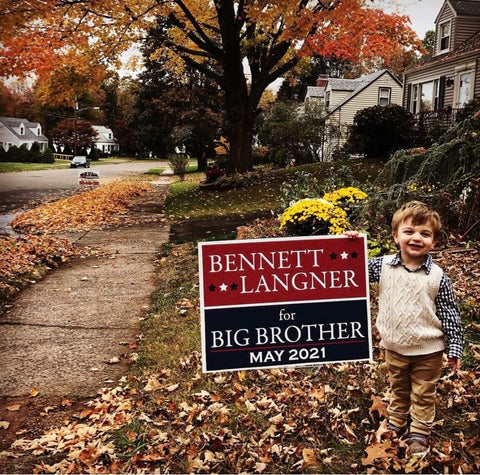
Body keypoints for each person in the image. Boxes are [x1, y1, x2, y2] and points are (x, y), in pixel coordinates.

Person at [346, 201, 464, 457]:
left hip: (429, 350)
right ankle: (398, 420)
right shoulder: (383, 266)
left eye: (425, 233)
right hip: (394, 346)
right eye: (409, 231)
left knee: (423, 391)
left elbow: (449, 313)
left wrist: (455, 346)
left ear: (433, 241)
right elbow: (353, 269)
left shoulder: (437, 276)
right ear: (396, 236)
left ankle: (420, 430)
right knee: (398, 387)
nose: (416, 238)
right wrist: (350, 245)